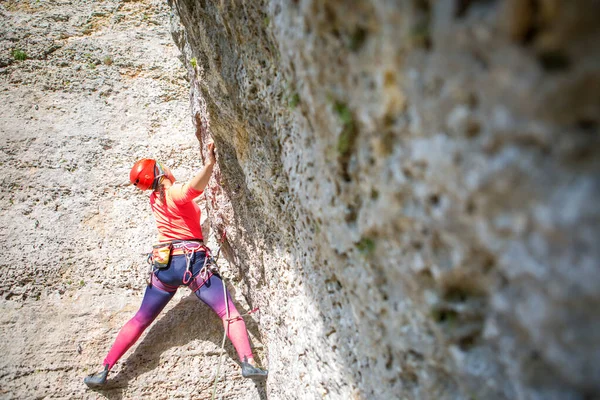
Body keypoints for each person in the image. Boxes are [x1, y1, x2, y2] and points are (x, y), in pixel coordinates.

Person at [84, 143, 267, 388]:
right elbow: (193, 189)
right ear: (161, 171)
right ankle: (247, 361)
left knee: (140, 319)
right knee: (228, 312)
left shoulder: (154, 200)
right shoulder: (174, 193)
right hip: (192, 262)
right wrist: (210, 164)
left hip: (164, 268)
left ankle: (104, 369)